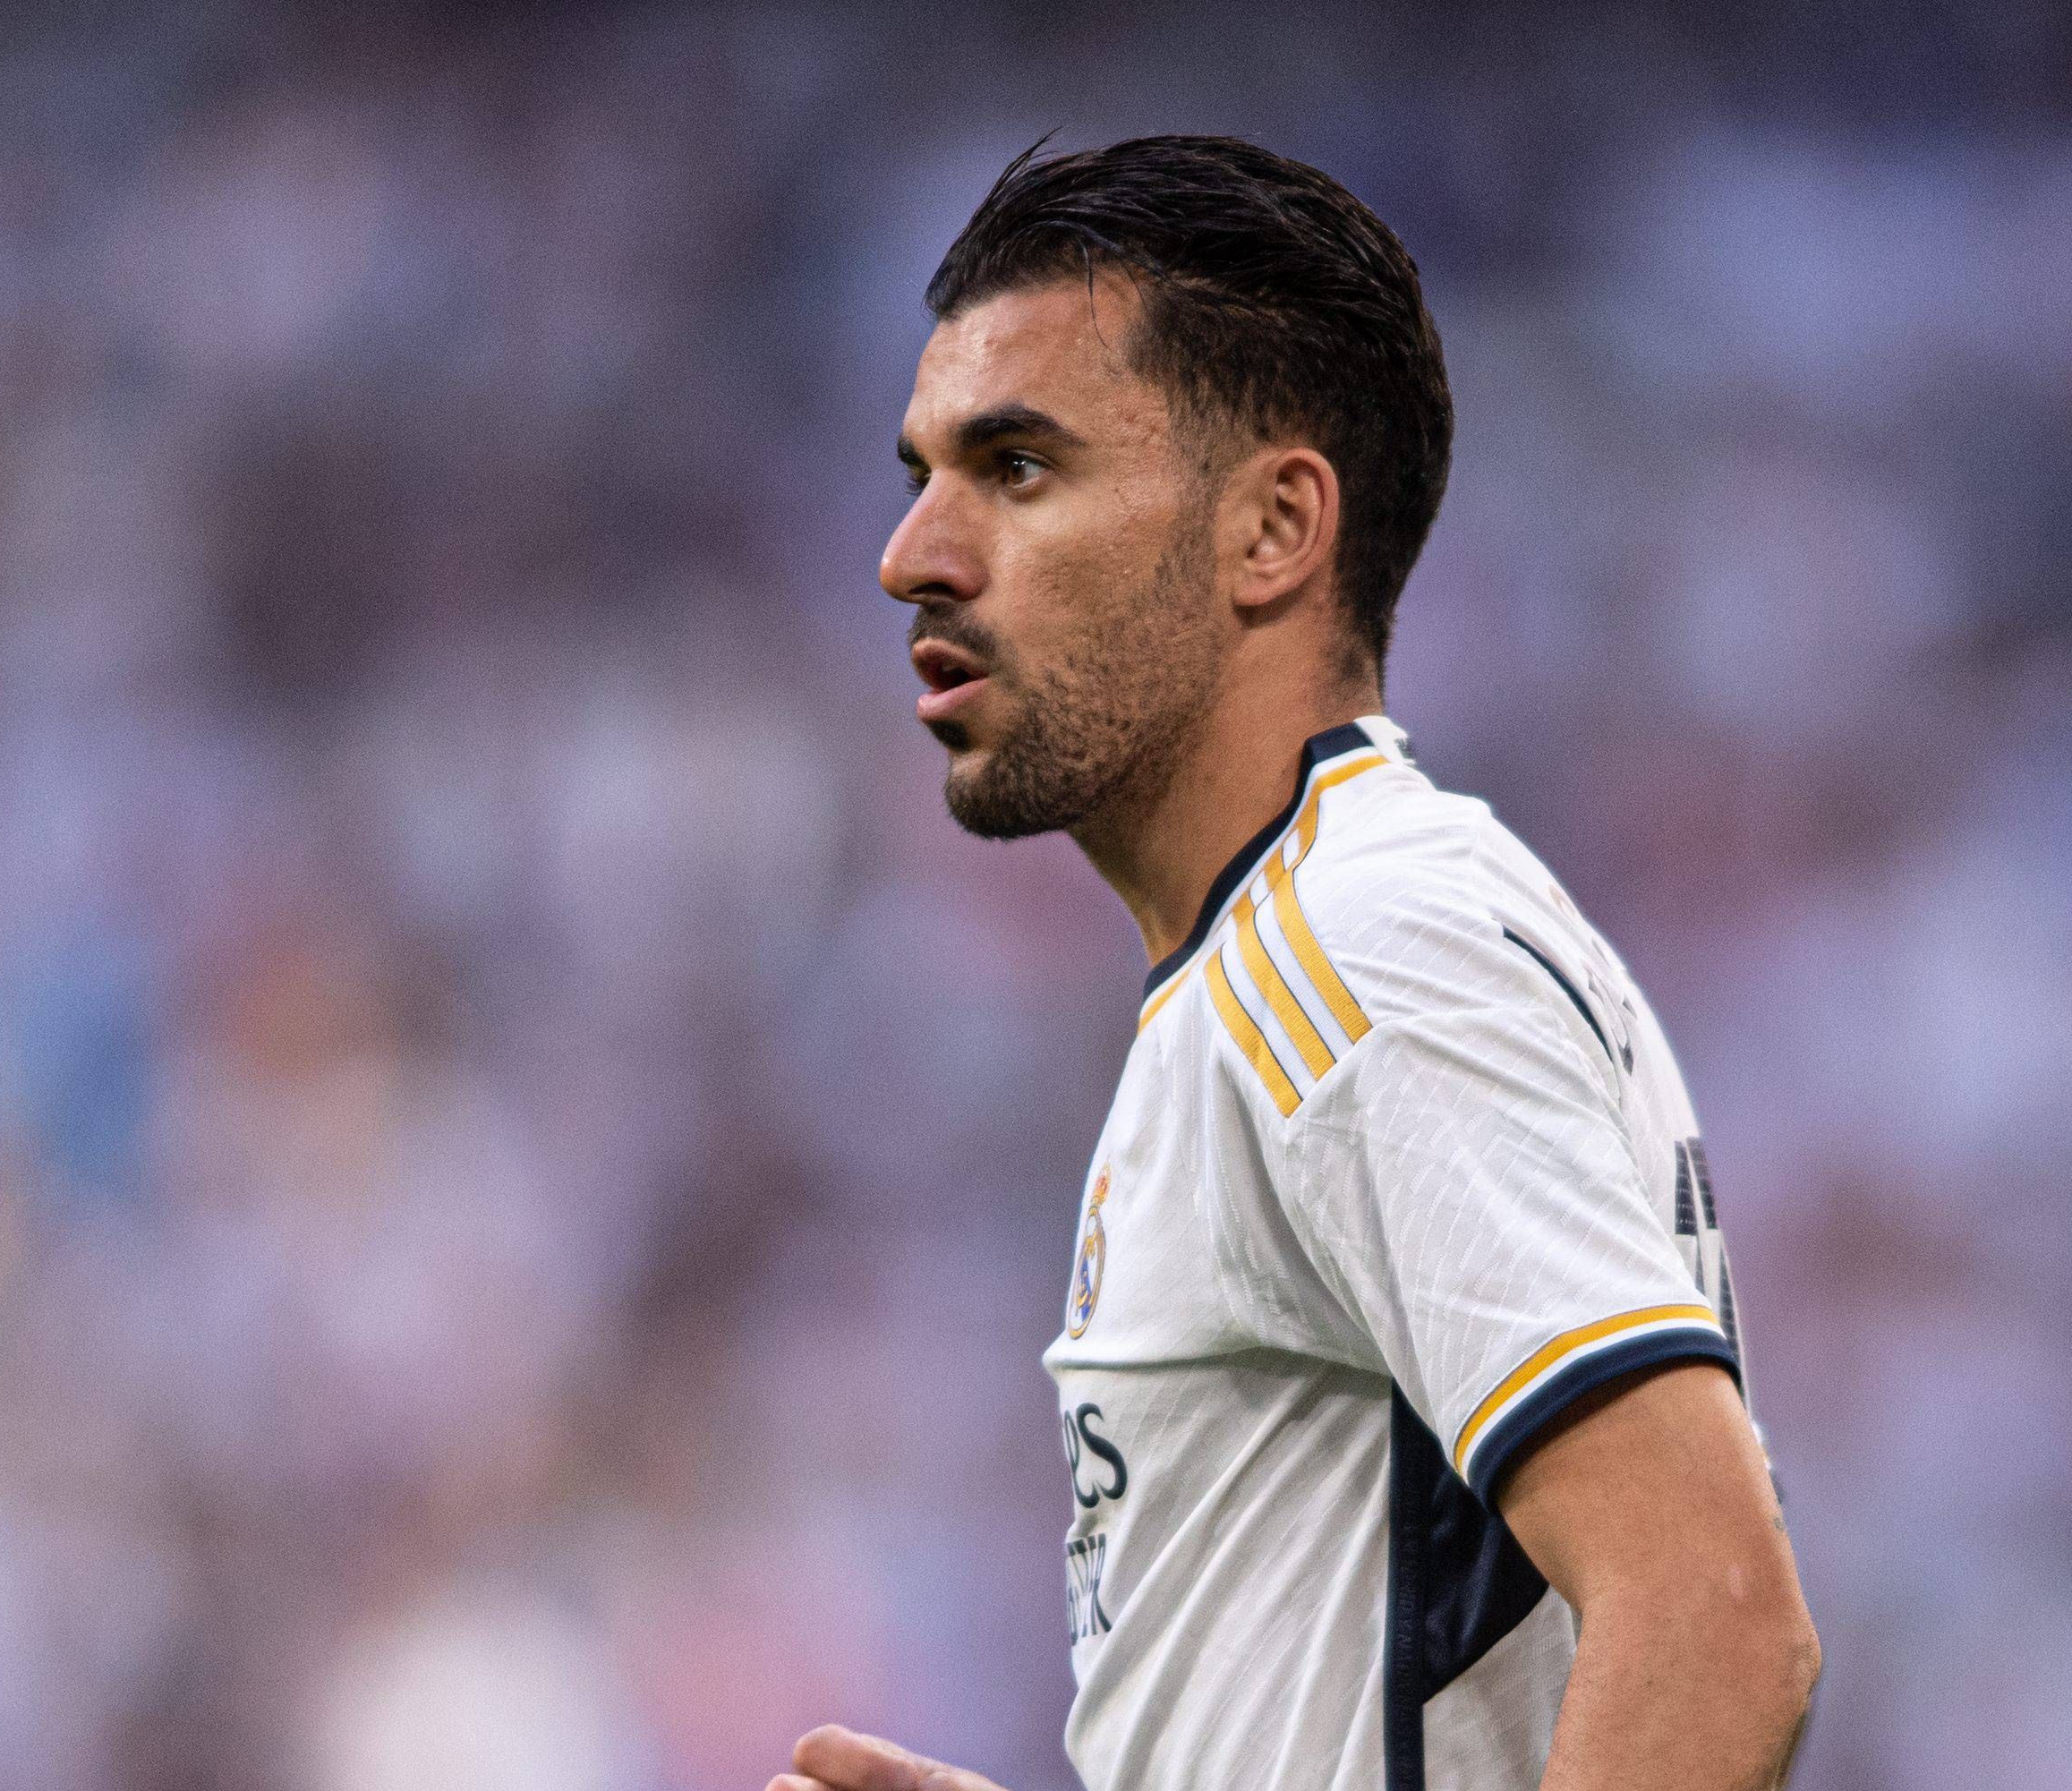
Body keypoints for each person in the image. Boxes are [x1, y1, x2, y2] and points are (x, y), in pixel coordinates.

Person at [775, 136, 1819, 1791]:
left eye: (1019, 467)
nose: (915, 553)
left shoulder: (1354, 952)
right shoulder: (1287, 954)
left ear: (1274, 528)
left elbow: (1711, 1613)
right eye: (922, 473)